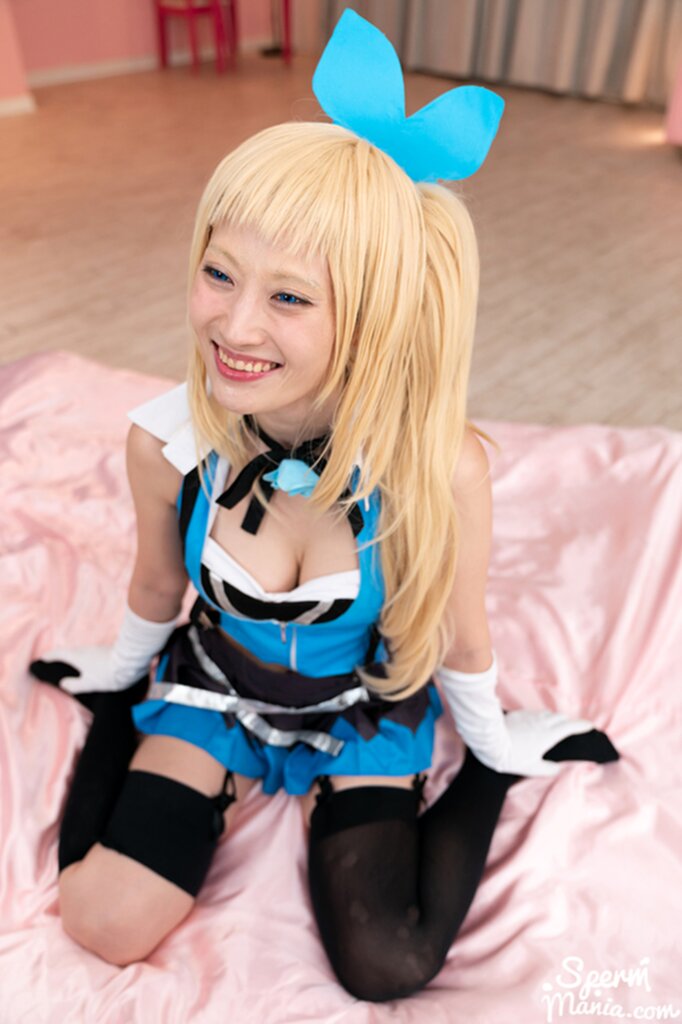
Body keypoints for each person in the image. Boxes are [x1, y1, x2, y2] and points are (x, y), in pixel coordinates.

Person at [30, 11, 619, 1003]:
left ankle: (487, 781)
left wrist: (489, 742)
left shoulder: (435, 471)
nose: (234, 325)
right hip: (217, 686)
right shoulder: (167, 442)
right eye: (218, 273)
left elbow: (456, 630)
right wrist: (118, 683)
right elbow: (156, 583)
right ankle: (139, 736)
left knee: (385, 963)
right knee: (101, 919)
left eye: (290, 298)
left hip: (361, 707)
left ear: (376, 317)